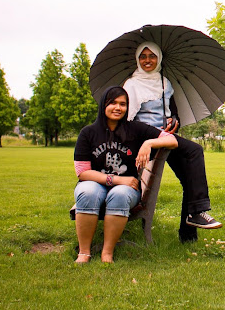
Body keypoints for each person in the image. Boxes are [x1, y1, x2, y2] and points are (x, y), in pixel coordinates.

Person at [123, 41, 221, 244]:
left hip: (164, 137)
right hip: (143, 138)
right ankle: (198, 211)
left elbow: (174, 113)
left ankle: (189, 233)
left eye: (152, 56)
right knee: (195, 150)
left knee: (190, 177)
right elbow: (127, 120)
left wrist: (173, 120)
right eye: (143, 56)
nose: (147, 60)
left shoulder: (164, 83)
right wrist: (148, 139)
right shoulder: (131, 85)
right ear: (137, 59)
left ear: (159, 59)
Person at [73, 86, 178, 263]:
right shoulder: (88, 133)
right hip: (96, 183)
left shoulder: (135, 129)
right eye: (113, 103)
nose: (118, 108)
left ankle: (107, 253)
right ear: (103, 105)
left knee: (120, 194)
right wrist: (116, 179)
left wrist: (148, 143)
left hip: (126, 189)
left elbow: (172, 140)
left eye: (123, 104)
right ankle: (84, 252)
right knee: (88, 192)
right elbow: (83, 172)